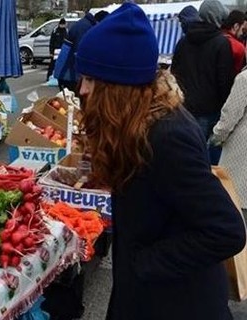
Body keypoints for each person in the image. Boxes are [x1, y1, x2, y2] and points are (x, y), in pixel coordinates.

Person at [75, 3, 246, 319]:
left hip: (175, 303)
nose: (82, 89)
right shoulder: (139, 123)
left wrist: (144, 264)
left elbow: (227, 230)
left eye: (89, 78)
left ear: (117, 85)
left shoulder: (166, 137)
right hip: (146, 294)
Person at [171, 0, 234, 165]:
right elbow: (224, 81)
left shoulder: (183, 42)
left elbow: (174, 74)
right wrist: (223, 109)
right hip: (209, 110)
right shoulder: (221, 43)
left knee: (183, 154)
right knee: (206, 160)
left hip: (183, 108)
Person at [210, 63, 247, 215]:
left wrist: (216, 137)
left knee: (233, 202)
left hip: (240, 153)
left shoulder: (244, 79)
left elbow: (229, 118)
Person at [55, 11, 97, 93]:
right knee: (72, 101)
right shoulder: (84, 27)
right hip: (69, 74)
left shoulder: (85, 24)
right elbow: (79, 53)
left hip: (69, 72)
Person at [221, 10, 247, 74]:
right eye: (242, 29)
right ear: (236, 26)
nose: (242, 33)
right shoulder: (238, 47)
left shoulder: (215, 37)